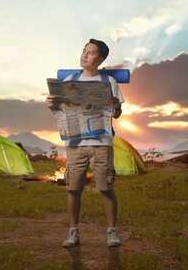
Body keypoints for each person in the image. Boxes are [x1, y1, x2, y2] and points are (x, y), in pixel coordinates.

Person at [46, 38, 125, 247]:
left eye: (90, 53)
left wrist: (116, 106)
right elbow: (60, 112)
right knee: (73, 188)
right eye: (84, 51)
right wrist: (52, 104)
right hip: (75, 144)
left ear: (99, 59)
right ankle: (73, 232)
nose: (84, 55)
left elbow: (116, 114)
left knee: (106, 187)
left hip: (102, 143)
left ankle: (112, 232)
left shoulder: (109, 83)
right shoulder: (69, 81)